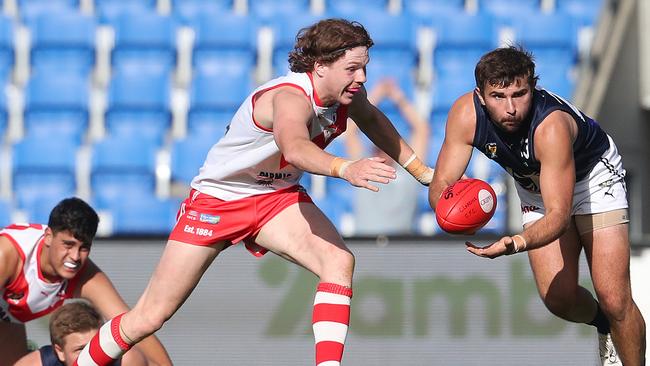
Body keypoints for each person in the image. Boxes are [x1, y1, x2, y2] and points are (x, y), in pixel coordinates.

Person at [73, 18, 434, 366]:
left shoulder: (348, 96)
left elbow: (371, 119)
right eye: (353, 68)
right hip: (220, 198)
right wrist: (345, 167)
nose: (362, 78)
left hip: (275, 198)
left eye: (365, 68)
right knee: (150, 316)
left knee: (339, 261)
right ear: (321, 65)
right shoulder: (289, 98)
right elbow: (294, 148)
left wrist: (422, 172)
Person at [428, 46, 646, 365]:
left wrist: (514, 243)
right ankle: (603, 325)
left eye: (520, 94)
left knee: (614, 299)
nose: (511, 108)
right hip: (536, 187)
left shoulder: (551, 127)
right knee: (559, 299)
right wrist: (450, 211)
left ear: (533, 87)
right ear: (480, 95)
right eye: (498, 97)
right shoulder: (465, 114)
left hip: (594, 179)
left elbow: (559, 216)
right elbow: (442, 187)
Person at [0, 197, 172, 366]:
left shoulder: (85, 275)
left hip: (9, 318)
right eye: (68, 244)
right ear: (48, 237)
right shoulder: (8, 254)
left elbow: (131, 322)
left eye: (83, 248)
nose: (75, 257)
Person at [344, 77, 430, 235]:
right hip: (366, 245)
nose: (381, 150)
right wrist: (374, 97)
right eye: (377, 147)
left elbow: (421, 129)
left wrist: (398, 98)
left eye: (386, 146)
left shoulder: (410, 170)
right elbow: (350, 131)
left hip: (401, 248)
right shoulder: (363, 169)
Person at [15, 301, 148, 366]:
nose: (91, 354)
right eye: (81, 349)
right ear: (60, 352)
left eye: (96, 345)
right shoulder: (34, 364)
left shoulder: (127, 360)